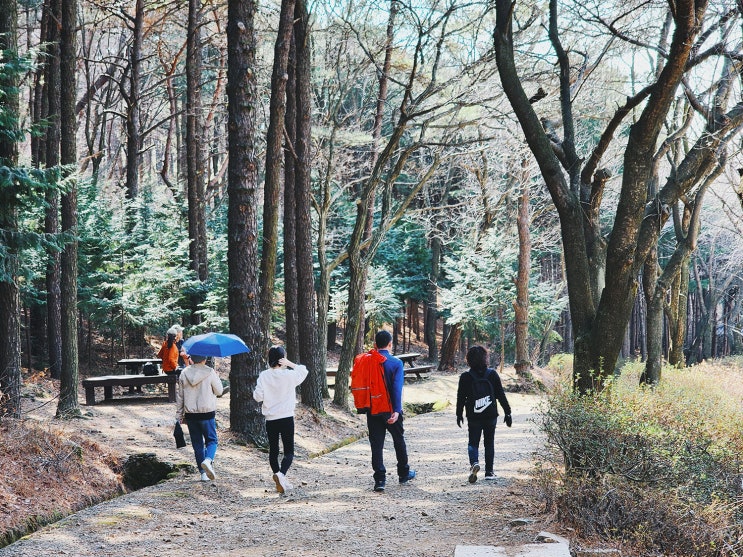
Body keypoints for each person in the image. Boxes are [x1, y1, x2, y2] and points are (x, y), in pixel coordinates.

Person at [253, 346, 308, 494]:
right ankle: (281, 475)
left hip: (271, 418)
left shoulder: (264, 376)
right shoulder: (289, 375)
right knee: (289, 451)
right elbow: (304, 371)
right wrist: (290, 363)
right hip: (286, 417)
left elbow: (257, 397)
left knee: (274, 451)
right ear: (282, 359)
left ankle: (280, 477)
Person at [366, 330, 415, 493]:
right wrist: (396, 411)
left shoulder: (367, 362)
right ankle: (403, 473)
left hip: (372, 409)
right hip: (389, 410)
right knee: (398, 440)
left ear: (375, 345)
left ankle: (379, 479)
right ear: (390, 344)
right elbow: (396, 388)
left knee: (376, 444)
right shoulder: (396, 363)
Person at [456, 345, 512, 483]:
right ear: (485, 358)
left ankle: (474, 463)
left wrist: (459, 414)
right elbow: (500, 395)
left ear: (468, 359)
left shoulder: (465, 376)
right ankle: (489, 472)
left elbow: (460, 398)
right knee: (489, 442)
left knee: (473, 442)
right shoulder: (492, 374)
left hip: (474, 415)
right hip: (490, 415)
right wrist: (508, 412)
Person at [176, 354, 224, 482]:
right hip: (207, 413)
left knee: (197, 444)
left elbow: (180, 396)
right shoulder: (209, 372)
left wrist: (179, 415)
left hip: (191, 415)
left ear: (192, 358)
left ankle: (203, 474)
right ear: (205, 359)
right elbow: (219, 391)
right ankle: (208, 460)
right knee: (212, 440)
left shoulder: (184, 373)